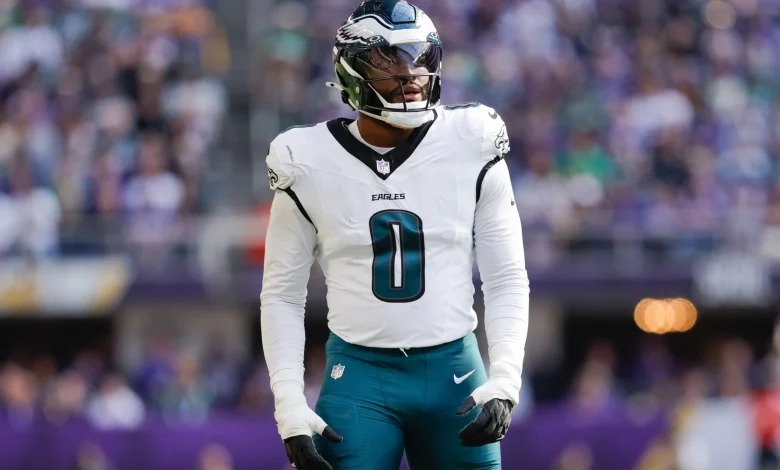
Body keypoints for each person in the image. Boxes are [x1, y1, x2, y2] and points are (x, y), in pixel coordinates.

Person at [260, 1, 529, 469]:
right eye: (389, 63)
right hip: (359, 374)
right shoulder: (305, 159)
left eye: (420, 59)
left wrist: (506, 377)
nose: (410, 76)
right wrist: (288, 402)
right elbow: (282, 294)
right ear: (351, 73)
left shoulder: (472, 139)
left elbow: (505, 276)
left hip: (454, 369)